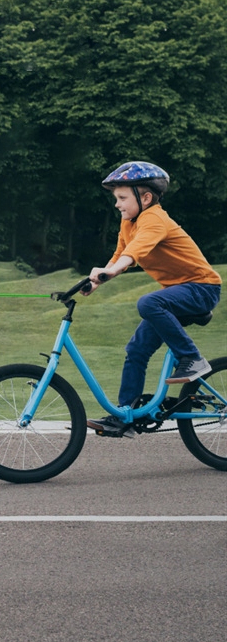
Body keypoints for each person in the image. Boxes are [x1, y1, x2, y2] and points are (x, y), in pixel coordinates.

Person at [83, 161, 221, 438]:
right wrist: (97, 280)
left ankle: (192, 358)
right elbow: (121, 252)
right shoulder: (128, 222)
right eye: (116, 199)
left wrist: (112, 270)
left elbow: (136, 251)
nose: (117, 204)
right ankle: (127, 415)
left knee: (148, 303)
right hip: (178, 295)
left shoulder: (154, 219)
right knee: (136, 351)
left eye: (122, 198)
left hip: (202, 288)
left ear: (145, 198)